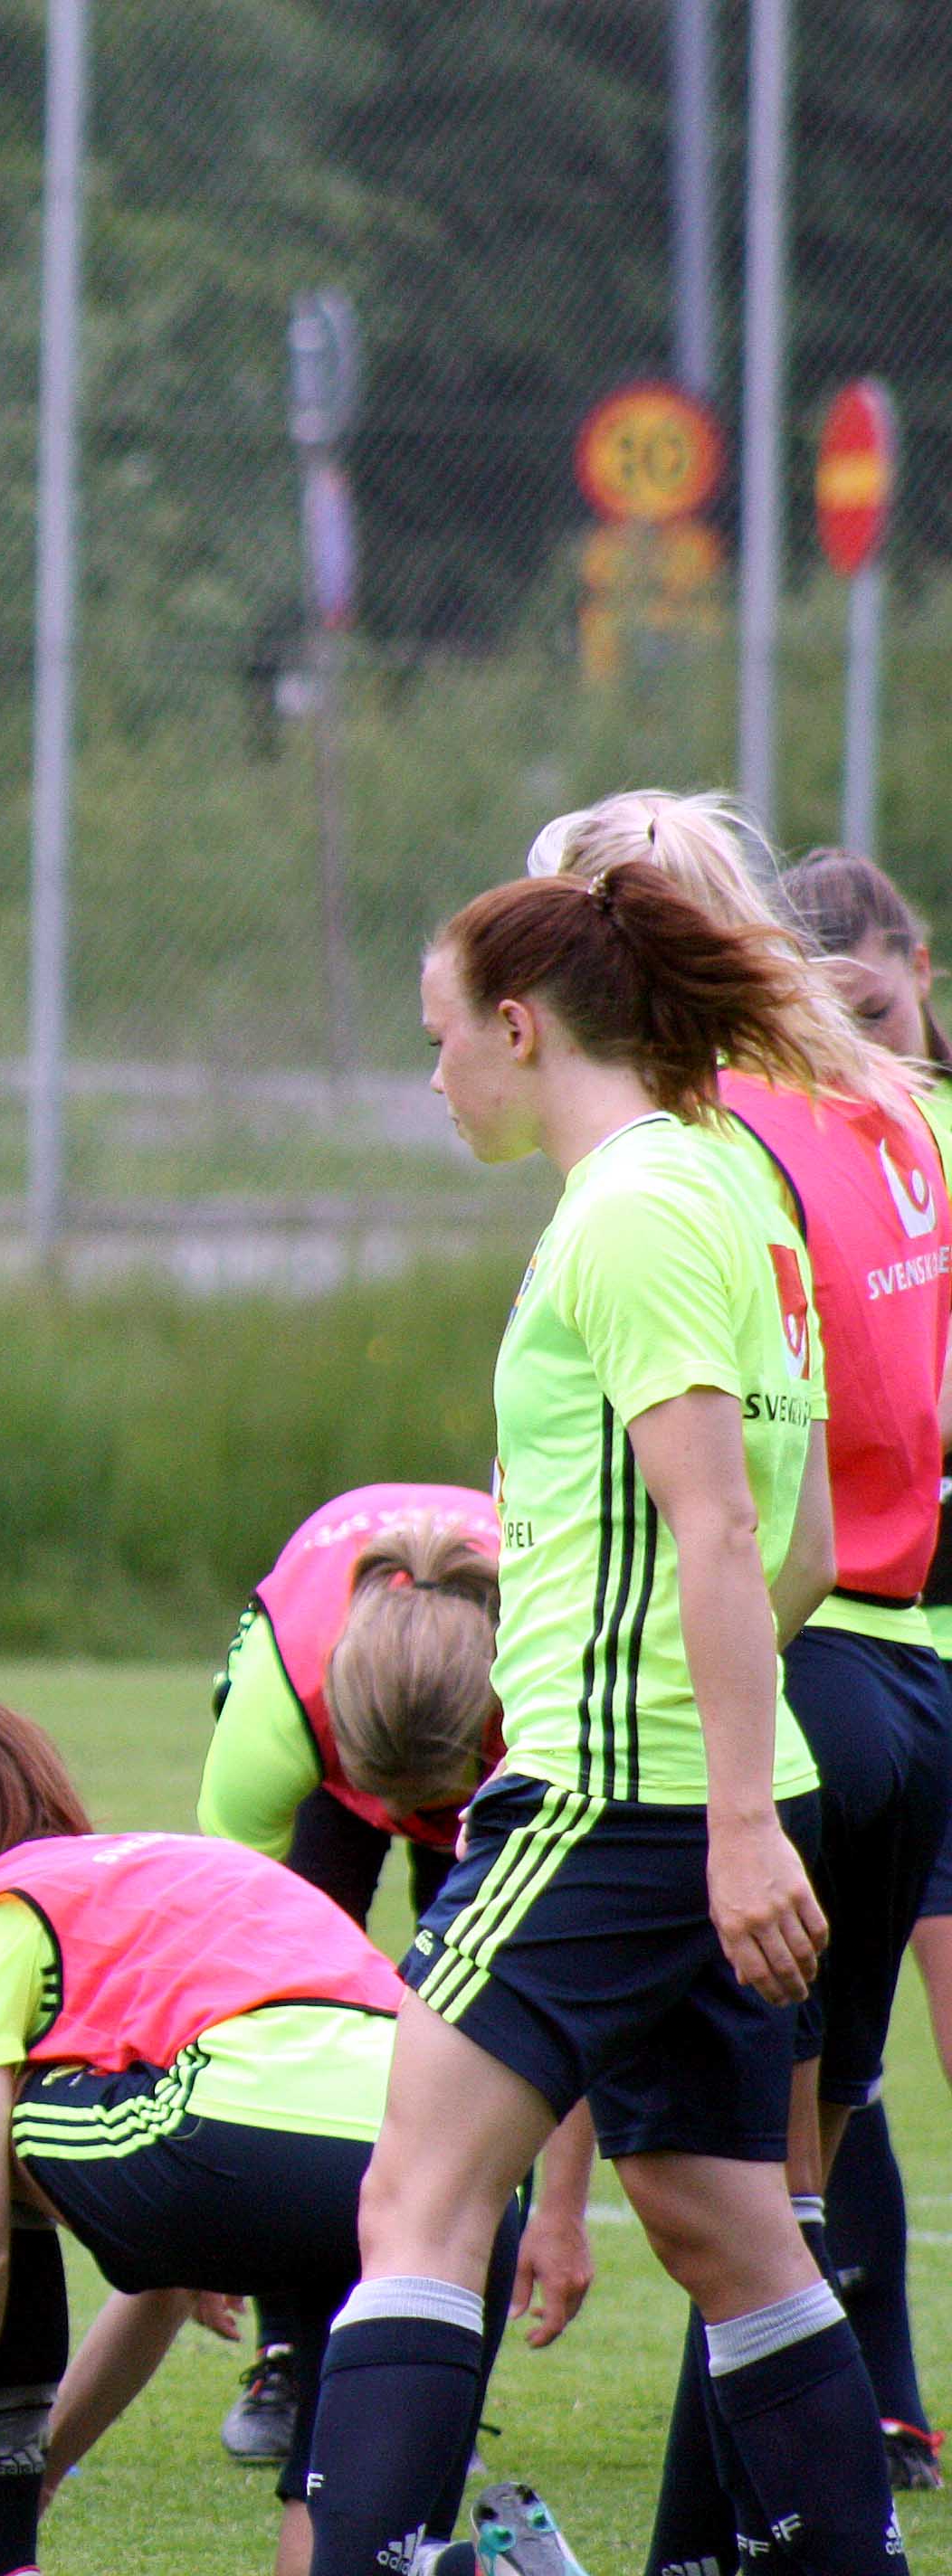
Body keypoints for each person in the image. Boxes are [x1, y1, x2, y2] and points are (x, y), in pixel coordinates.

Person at [299, 853, 894, 2576]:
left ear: (517, 1025)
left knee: (412, 2196)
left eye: (436, 1037)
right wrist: (737, 1791)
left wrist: (720, 1813)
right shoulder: (732, 1180)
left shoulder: (626, 1205)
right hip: (706, 1789)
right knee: (725, 2224)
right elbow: (803, 1544)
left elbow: (713, 1525)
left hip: (610, 1797)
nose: (431, 1076)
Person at [539, 799, 952, 2575]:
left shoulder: (704, 1138)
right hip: (918, 1687)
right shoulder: (899, 1106)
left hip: (800, 1670)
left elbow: (722, 1491)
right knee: (780, 2211)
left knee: (731, 2219)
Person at [0, 1701, 528, 2576]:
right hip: (461, 2184)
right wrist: (51, 2467)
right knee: (356, 2551)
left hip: (267, 2146)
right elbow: (168, 2282)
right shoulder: (191, 1874)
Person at [194, 1490, 596, 2462]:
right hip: (335, 1721)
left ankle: (440, 2356)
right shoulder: (277, 1709)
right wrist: (204, 2221)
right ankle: (290, 2350)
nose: (402, 1816)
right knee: (295, 2012)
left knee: (482, 2029)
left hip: (502, 1747)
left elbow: (572, 1981)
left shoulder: (558, 1682)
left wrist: (562, 2211)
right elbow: (230, 1981)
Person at [783, 845, 952, 2489]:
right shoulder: (804, 1145)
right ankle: (876, 2392)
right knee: (839, 2049)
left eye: (878, 1013)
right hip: (871, 1650)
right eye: (824, 1021)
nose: (863, 1051)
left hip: (914, 1655)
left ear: (924, 975)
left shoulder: (923, 1133)